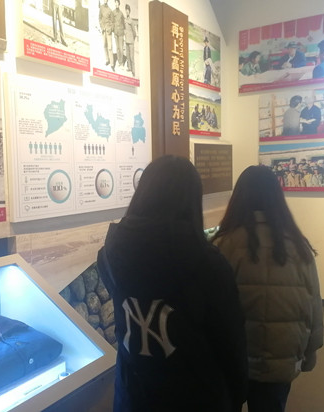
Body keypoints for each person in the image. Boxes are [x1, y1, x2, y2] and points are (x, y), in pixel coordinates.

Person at [97, 155, 248, 412]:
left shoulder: (111, 253)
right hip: (195, 397)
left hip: (133, 394)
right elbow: (230, 342)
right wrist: (237, 394)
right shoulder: (208, 264)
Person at [211, 165, 324, 412]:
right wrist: (311, 350)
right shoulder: (298, 246)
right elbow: (313, 301)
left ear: (238, 198)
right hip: (280, 360)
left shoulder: (223, 244)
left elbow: (211, 309)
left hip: (234, 358)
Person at [99, 0, 114, 70]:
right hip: (103, 30)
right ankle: (107, 60)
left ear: (107, 1)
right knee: (104, 46)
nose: (105, 0)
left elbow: (112, 22)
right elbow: (99, 18)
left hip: (108, 31)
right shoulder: (101, 8)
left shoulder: (110, 10)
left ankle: (112, 64)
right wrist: (102, 27)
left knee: (110, 47)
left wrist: (110, 29)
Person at [124, 4, 136, 76]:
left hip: (131, 41)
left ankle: (133, 71)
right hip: (126, 41)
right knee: (127, 56)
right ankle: (129, 68)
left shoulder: (131, 21)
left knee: (132, 57)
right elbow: (124, 29)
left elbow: (134, 32)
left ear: (129, 11)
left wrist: (132, 40)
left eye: (128, 10)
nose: (127, 11)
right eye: (126, 10)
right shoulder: (125, 20)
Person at [113, 0, 125, 67]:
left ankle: (121, 63)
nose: (116, 4)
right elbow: (112, 22)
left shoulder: (121, 13)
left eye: (117, 3)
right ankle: (119, 61)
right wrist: (113, 30)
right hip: (115, 33)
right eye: (115, 3)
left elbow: (123, 23)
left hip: (121, 33)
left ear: (119, 4)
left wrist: (124, 33)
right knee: (117, 48)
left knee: (121, 48)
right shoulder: (113, 12)